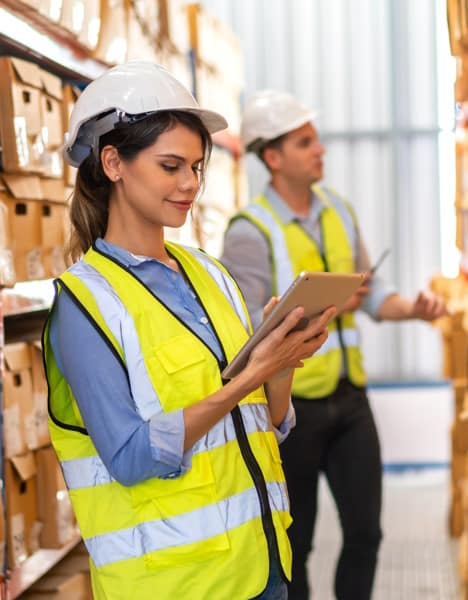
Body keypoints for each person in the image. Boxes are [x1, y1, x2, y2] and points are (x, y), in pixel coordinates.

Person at [42, 63, 336, 600]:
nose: (190, 185)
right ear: (113, 163)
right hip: (177, 584)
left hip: (264, 564)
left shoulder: (211, 275)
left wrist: (281, 360)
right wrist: (249, 379)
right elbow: (130, 456)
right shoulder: (84, 306)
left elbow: (267, 424)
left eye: (197, 167)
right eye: (171, 166)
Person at [221, 89, 447, 600]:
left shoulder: (338, 211)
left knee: (366, 534)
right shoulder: (249, 232)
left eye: (317, 139)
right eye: (305, 142)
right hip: (290, 410)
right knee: (294, 545)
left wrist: (412, 309)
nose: (320, 149)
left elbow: (371, 295)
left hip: (349, 399)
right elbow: (247, 336)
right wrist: (325, 309)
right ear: (272, 158)